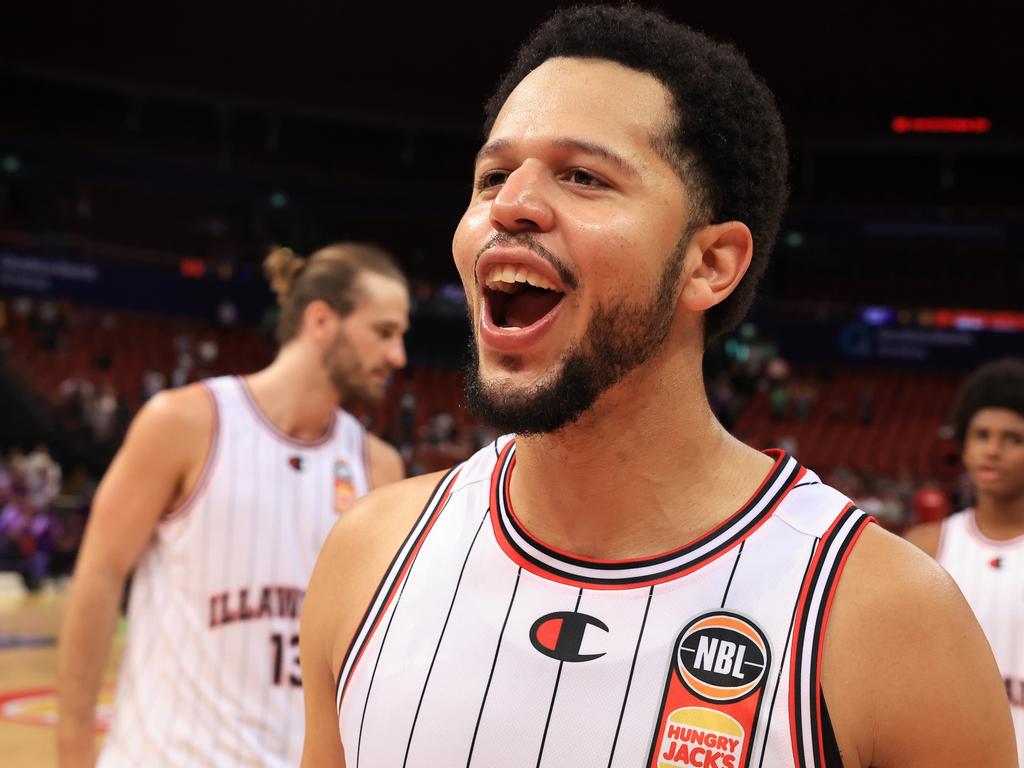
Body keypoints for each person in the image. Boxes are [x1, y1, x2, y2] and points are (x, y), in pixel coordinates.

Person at [299, 6, 1016, 768]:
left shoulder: (890, 622)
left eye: (583, 176)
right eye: (493, 176)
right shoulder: (368, 556)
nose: (510, 205)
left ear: (710, 264)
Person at [57, 242, 410, 767]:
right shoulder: (184, 423)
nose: (397, 356)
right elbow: (100, 575)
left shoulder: (378, 468)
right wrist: (73, 749)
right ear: (320, 322)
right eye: (384, 332)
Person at [905, 358, 1024, 765]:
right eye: (982, 435)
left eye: (1012, 438)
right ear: (963, 443)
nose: (992, 449)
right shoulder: (924, 546)